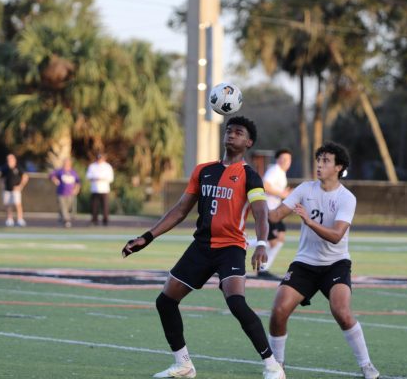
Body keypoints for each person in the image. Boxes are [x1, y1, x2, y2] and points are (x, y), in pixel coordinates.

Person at [122, 116, 285, 379]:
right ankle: (183, 364)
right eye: (229, 130)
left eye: (238, 132)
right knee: (165, 302)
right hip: (201, 247)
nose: (231, 135)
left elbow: (261, 213)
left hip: (230, 248)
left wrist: (262, 243)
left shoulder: (250, 176)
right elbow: (179, 210)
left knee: (236, 303)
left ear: (248, 142)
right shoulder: (203, 170)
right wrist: (147, 237)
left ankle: (272, 365)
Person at [266, 142, 380, 379]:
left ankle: (367, 365)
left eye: (326, 160)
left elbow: (337, 236)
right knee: (278, 311)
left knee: (341, 311)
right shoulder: (305, 189)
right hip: (305, 264)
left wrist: (309, 222)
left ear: (339, 167)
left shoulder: (346, 198)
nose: (319, 164)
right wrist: (253, 199)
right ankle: (277, 367)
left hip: (335, 265)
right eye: (319, 159)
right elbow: (275, 215)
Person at [259, 148, 292, 277]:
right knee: (272, 241)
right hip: (268, 210)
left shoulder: (282, 174)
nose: (285, 161)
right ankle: (243, 244)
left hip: (275, 212)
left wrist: (286, 194)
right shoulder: (275, 170)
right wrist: (283, 193)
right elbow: (265, 185)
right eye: (282, 159)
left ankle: (263, 268)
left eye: (287, 159)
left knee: (280, 237)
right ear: (277, 160)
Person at [49, 158, 81, 228]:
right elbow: (51, 175)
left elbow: (78, 182)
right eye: (65, 163)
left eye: (68, 163)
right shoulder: (60, 171)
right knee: (63, 207)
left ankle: (61, 219)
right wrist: (54, 179)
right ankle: (67, 221)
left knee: (67, 208)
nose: (66, 164)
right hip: (61, 193)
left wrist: (76, 189)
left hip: (70, 193)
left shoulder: (73, 172)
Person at [0, 153, 29, 227]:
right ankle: (9, 219)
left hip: (16, 190)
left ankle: (20, 219)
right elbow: (2, 179)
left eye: (11, 159)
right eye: (8, 159)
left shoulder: (18, 167)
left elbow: (25, 177)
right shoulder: (5, 168)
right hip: (7, 189)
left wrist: (20, 186)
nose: (10, 160)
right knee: (8, 205)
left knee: (17, 204)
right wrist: (3, 187)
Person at [85, 153, 114, 226]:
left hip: (104, 190)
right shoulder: (92, 166)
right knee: (94, 206)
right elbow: (88, 176)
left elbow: (111, 178)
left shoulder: (107, 166)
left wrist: (102, 178)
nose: (99, 160)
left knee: (105, 206)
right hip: (94, 189)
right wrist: (95, 178)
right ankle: (94, 220)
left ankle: (105, 220)